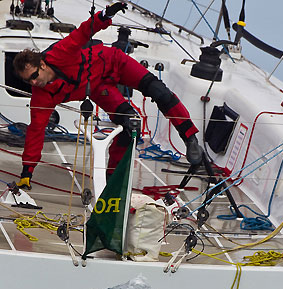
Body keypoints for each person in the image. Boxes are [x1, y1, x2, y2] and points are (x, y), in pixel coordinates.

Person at [13, 2, 203, 190]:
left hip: (115, 62)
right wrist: (26, 173)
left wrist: (105, 15)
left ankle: (190, 139)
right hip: (97, 88)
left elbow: (83, 32)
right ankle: (111, 180)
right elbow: (35, 131)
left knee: (160, 92)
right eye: (28, 81)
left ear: (43, 65)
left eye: (34, 76)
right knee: (130, 124)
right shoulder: (41, 96)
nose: (34, 83)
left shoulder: (60, 53)